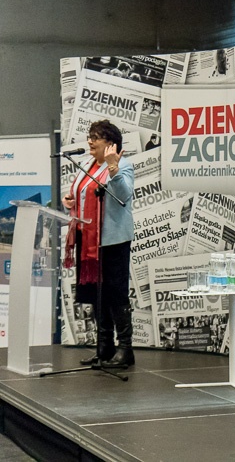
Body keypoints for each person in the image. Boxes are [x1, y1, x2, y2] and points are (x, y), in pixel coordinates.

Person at [62, 120, 136, 368]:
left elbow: (124, 195)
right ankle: (104, 346)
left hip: (112, 241)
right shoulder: (86, 164)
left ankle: (125, 349)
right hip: (88, 239)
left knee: (115, 293)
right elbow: (81, 193)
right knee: (97, 293)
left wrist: (113, 168)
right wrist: (70, 200)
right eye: (89, 136)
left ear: (111, 143)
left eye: (96, 137)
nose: (90, 141)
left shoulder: (123, 165)